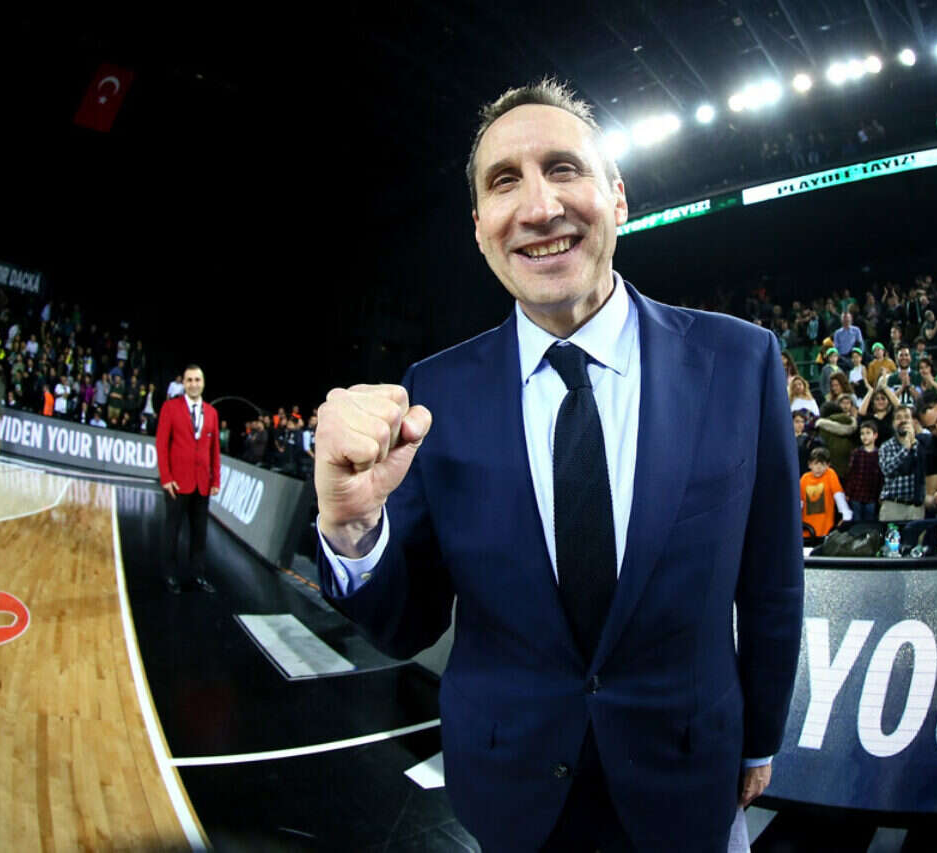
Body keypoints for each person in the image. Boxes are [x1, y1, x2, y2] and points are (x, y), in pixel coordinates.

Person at [311, 80, 803, 851]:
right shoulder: (435, 394)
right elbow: (406, 622)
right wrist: (351, 525)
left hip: (691, 785)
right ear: (480, 228)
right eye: (504, 181)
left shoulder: (740, 363)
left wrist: (759, 739)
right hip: (511, 796)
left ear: (618, 197)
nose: (539, 208)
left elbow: (771, 583)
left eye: (564, 168)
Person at [156, 364, 221, 595]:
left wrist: (216, 480)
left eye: (197, 380)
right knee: (172, 531)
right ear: (183, 383)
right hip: (177, 483)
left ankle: (197, 575)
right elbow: (161, 444)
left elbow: (214, 449)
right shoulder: (170, 407)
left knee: (199, 534)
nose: (194, 384)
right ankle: (170, 575)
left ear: (203, 383)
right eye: (189, 380)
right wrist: (166, 478)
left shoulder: (211, 413)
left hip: (202, 484)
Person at [800, 446, 851, 538]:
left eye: (822, 464)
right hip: (806, 529)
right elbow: (799, 502)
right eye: (815, 464)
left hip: (826, 529)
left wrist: (846, 515)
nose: (818, 468)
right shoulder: (804, 479)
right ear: (809, 465)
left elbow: (838, 495)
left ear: (828, 465)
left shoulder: (830, 474)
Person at [844, 421, 883, 521]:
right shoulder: (856, 453)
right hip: (856, 495)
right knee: (856, 522)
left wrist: (880, 495)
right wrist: (848, 493)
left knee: (869, 523)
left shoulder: (880, 454)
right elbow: (851, 474)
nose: (864, 436)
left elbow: (881, 476)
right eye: (862, 433)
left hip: (872, 496)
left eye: (868, 433)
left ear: (875, 435)